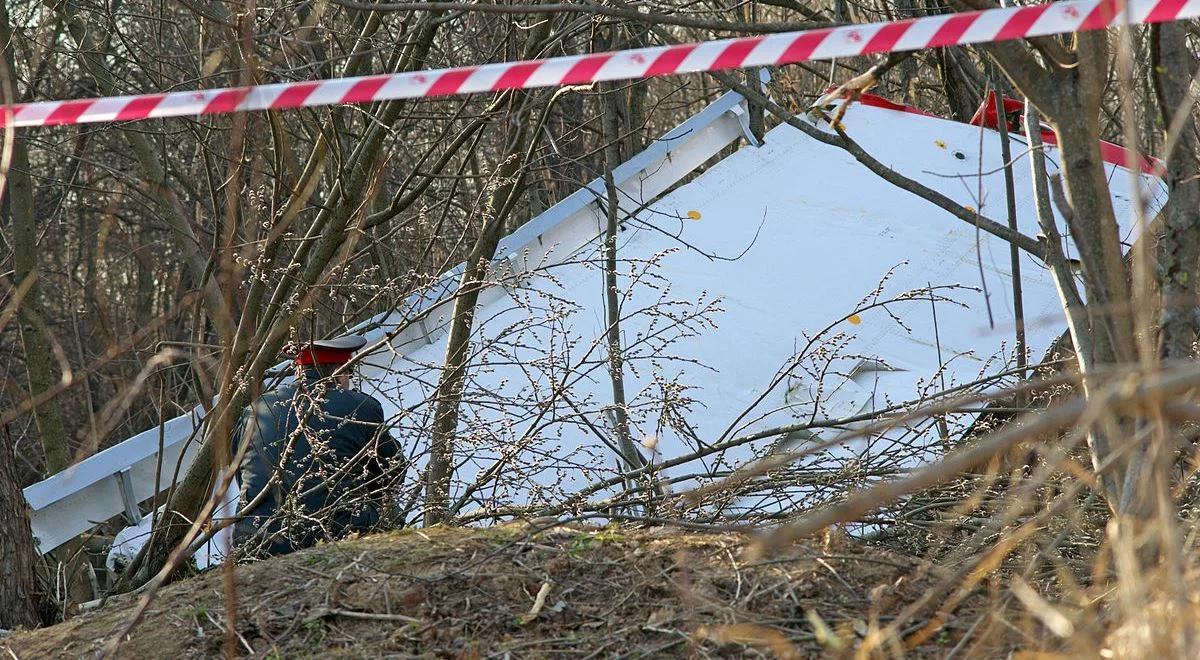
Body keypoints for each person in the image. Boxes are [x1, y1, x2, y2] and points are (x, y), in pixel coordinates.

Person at [230, 335, 402, 556]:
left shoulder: (255, 410)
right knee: (390, 511)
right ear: (340, 371)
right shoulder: (361, 407)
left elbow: (241, 472)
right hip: (337, 536)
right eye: (349, 372)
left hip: (256, 541)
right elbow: (391, 471)